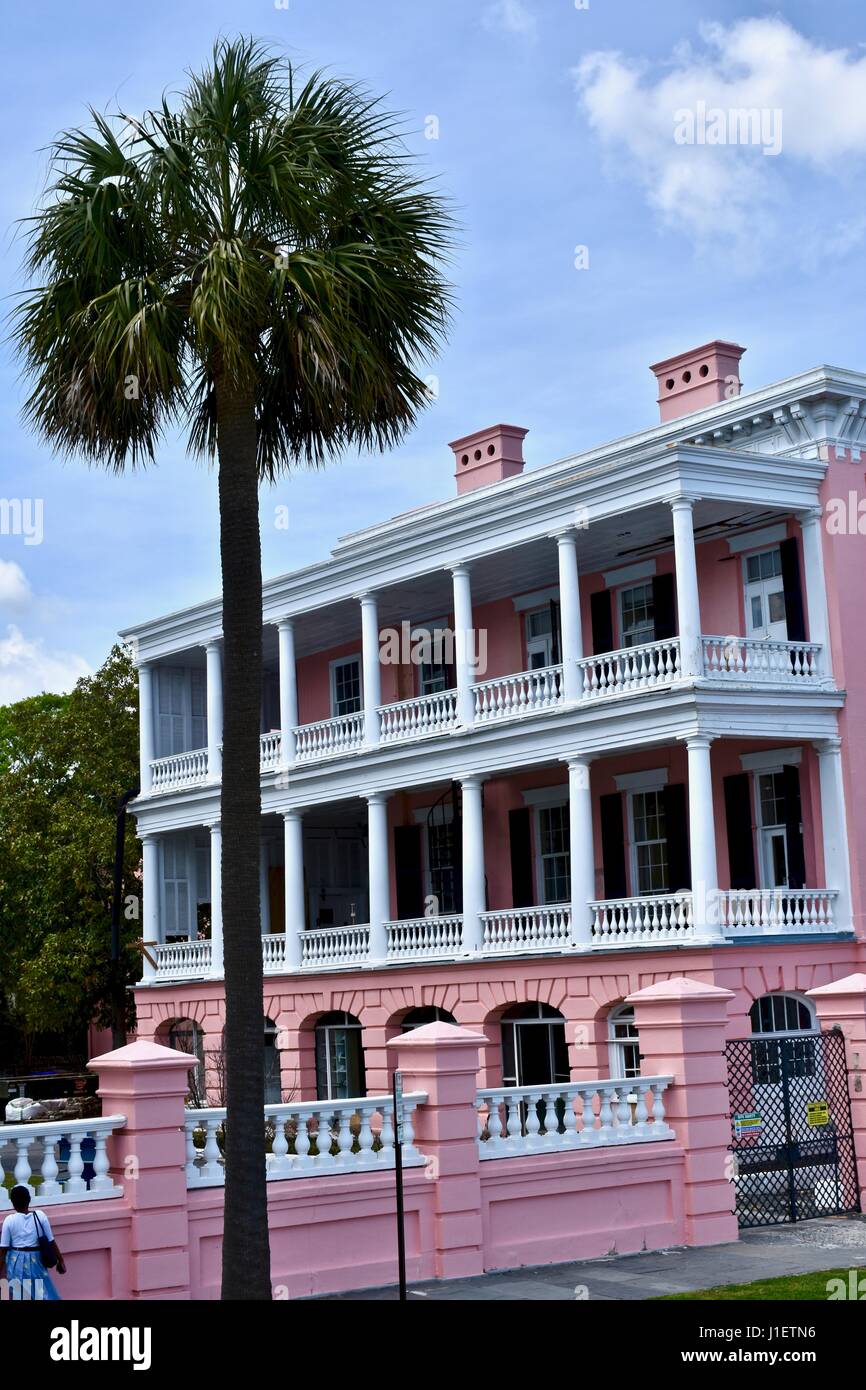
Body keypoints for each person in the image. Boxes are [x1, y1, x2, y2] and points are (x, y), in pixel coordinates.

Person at [0, 1186, 65, 1300]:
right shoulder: (40, 1216)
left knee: (20, 1296)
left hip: (16, 1264)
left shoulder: (9, 1220)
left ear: (12, 1203)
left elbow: (3, 1251)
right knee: (39, 1295)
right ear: (29, 1200)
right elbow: (51, 1241)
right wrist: (61, 1260)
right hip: (36, 1263)